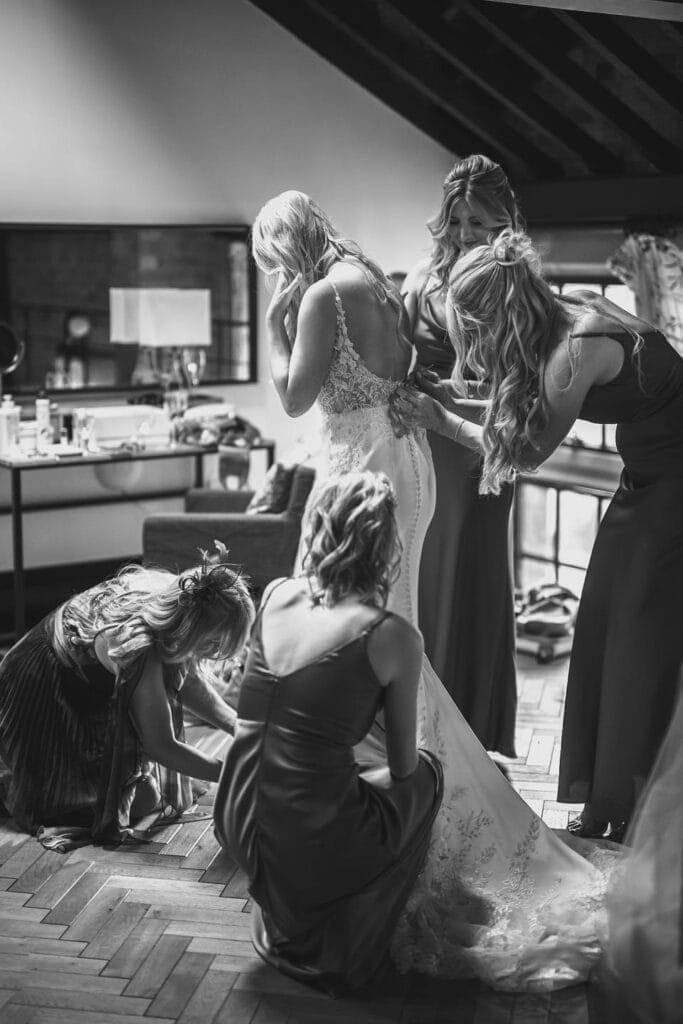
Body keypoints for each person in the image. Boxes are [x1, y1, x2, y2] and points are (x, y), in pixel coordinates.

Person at [250, 195, 622, 992]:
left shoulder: (316, 295)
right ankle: (391, 762)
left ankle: (370, 791)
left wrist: (277, 317)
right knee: (392, 629)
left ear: (283, 255)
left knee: (353, 632)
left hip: (363, 474)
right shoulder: (376, 282)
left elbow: (291, 396)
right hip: (406, 463)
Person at [395, 228, 683, 845]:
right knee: (602, 620)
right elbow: (523, 405)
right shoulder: (563, 317)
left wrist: (441, 418)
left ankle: (632, 801)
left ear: (497, 315)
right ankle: (608, 794)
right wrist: (461, 398)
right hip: (646, 478)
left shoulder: (578, 350)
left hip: (676, 487)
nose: (475, 345)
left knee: (638, 636)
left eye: (474, 330)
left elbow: (528, 450)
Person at [214, 472, 443, 996]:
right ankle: (349, 936)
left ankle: (294, 912)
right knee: (429, 774)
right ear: (387, 544)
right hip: (309, 831)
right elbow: (404, 766)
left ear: (317, 528)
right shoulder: (393, 635)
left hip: (234, 813)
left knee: (329, 777)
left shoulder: (275, 594)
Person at [0, 544, 254, 849]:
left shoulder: (179, 595)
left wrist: (239, 728)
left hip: (71, 672)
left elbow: (187, 676)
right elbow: (162, 747)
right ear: (194, 631)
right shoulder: (140, 649)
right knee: (135, 804)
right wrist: (237, 773)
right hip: (37, 685)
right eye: (214, 644)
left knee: (146, 793)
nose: (215, 653)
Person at [402, 154, 521, 757]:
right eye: (458, 221)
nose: (467, 234)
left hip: (478, 449)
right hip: (422, 446)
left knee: (470, 579)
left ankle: (471, 734)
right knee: (422, 577)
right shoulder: (420, 279)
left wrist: (458, 401)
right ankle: (421, 727)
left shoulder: (514, 285)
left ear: (504, 222)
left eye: (480, 222)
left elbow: (522, 386)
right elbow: (395, 364)